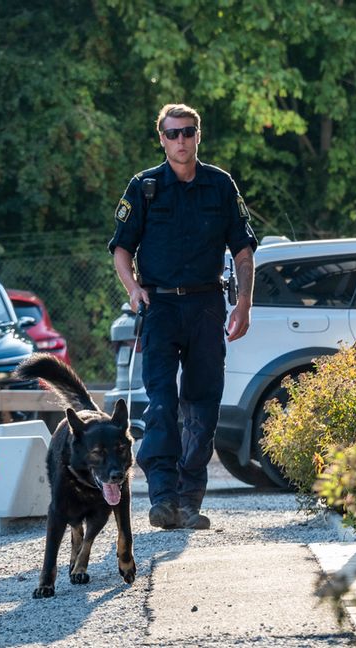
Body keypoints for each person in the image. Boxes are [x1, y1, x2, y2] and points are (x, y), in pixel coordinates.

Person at [109, 103, 257, 529]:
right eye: (172, 134)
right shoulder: (145, 187)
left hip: (207, 304)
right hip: (160, 307)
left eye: (187, 132)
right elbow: (121, 248)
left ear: (198, 135)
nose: (181, 140)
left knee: (202, 405)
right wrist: (134, 289)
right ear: (161, 138)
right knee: (161, 404)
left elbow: (243, 251)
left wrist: (243, 302)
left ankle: (189, 500)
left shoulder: (220, 186)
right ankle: (162, 498)